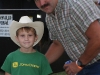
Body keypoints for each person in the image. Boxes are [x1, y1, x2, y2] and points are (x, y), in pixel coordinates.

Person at [34, 0, 100, 75]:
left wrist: (78, 64)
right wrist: (38, 64)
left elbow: (98, 39)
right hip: (82, 65)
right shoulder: (49, 17)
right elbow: (58, 44)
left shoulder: (76, 5)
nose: (42, 3)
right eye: (37, 0)